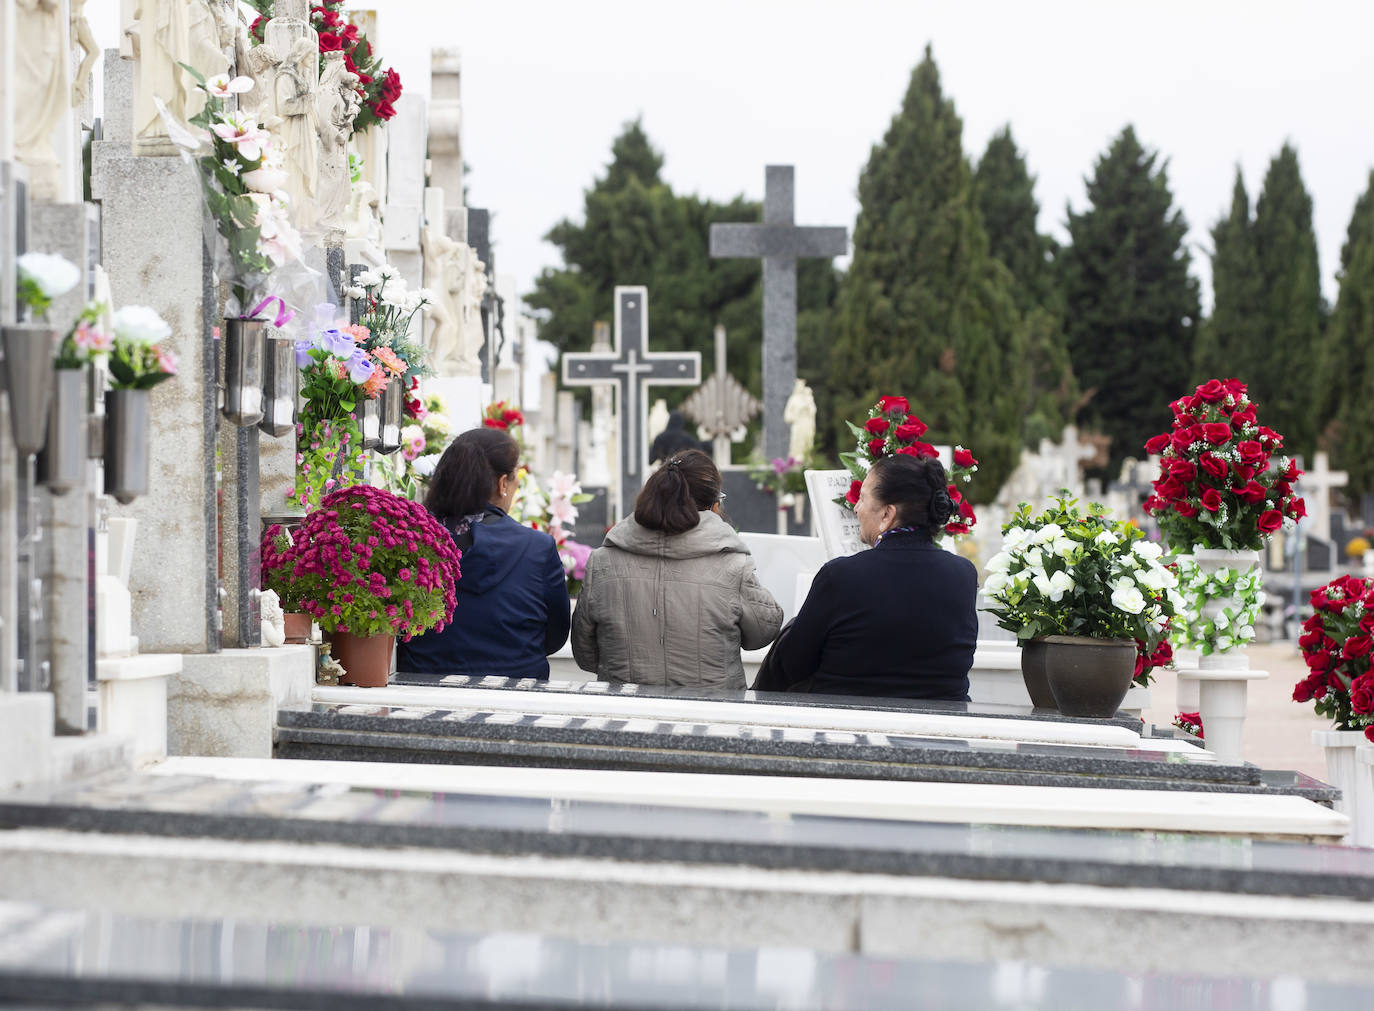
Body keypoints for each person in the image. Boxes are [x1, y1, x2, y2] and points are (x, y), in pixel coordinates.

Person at [761, 454, 977, 700]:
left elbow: (792, 663)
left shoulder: (840, 576)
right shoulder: (964, 575)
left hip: (846, 727)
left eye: (862, 498)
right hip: (943, 729)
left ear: (887, 514)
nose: (855, 507)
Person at [572, 449, 782, 689]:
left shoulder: (602, 562)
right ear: (713, 506)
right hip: (713, 716)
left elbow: (585, 654)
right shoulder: (732, 565)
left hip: (627, 714)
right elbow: (763, 633)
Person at [396, 428, 570, 678]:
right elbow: (554, 636)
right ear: (502, 484)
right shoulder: (537, 547)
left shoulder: (408, 542)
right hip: (519, 695)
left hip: (421, 689)